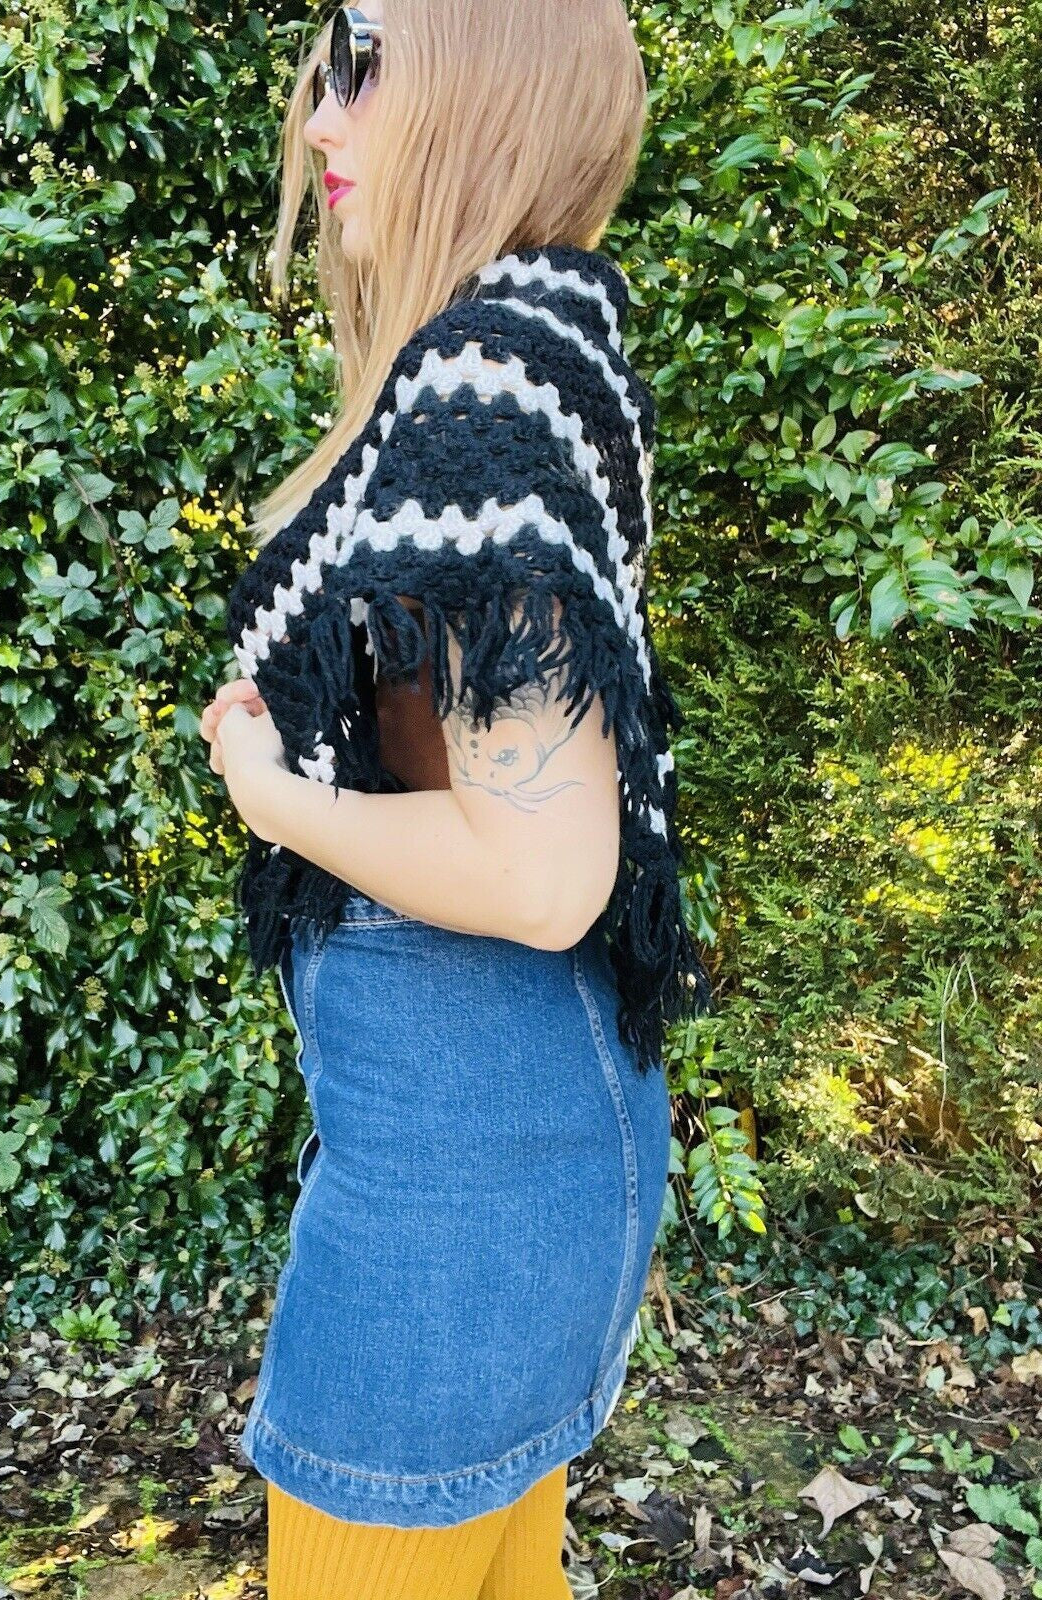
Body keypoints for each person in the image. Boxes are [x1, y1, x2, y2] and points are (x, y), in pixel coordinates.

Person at [199, 4, 710, 1595]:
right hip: (511, 1140)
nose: (321, 121)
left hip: (460, 1188)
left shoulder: (484, 379)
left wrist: (273, 797)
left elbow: (542, 872)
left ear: (488, 85)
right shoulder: (542, 352)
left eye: (365, 63)